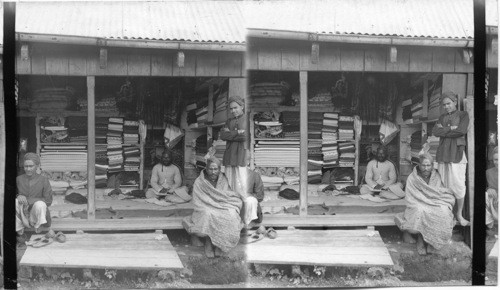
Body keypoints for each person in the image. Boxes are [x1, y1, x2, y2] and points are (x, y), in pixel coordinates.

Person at [394, 153, 456, 255]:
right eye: (423, 165)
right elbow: (410, 198)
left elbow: (442, 192)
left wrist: (433, 202)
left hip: (435, 202)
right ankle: (420, 239)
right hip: (418, 203)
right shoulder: (412, 178)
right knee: (420, 211)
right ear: (419, 165)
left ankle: (432, 242)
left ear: (432, 166)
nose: (426, 168)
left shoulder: (437, 176)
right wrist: (424, 202)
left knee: (444, 211)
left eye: (428, 165)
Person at [182, 157, 244, 258]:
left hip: (223, 205)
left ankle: (220, 245)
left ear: (220, 170)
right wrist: (212, 205)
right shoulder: (199, 181)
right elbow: (198, 200)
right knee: (208, 214)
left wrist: (220, 205)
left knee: (231, 214)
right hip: (205, 207)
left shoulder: (224, 179)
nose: (213, 172)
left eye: (216, 169)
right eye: (211, 169)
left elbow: (228, 195)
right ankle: (208, 243)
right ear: (206, 169)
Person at [432, 91, 470, 226]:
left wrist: (445, 130)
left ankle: (459, 214)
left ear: (455, 102)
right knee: (444, 185)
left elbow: (461, 131)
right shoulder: (441, 117)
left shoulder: (463, 115)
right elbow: (435, 132)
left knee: (459, 185)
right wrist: (451, 129)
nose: (446, 107)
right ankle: (448, 215)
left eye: (449, 103)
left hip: (457, 153)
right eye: (444, 105)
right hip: (443, 153)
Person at [16, 152, 54, 244]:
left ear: (37, 166)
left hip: (36, 215)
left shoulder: (44, 180)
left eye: (31, 166)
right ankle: (20, 230)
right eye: (26, 166)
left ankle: (38, 225)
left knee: (40, 204)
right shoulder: (18, 179)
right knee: (14, 202)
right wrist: (18, 196)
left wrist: (28, 200)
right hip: (23, 214)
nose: (28, 169)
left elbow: (48, 201)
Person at [220, 96, 249, 194]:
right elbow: (223, 135)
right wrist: (238, 133)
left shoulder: (247, 119)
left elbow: (246, 137)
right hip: (230, 153)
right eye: (231, 108)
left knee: (241, 180)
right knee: (229, 180)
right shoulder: (229, 121)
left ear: (242, 106)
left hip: (241, 153)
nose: (233, 111)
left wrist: (231, 133)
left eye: (235, 107)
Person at [486, 147, 498, 236]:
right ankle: (490, 225)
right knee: (484, 196)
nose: (497, 162)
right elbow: (487, 186)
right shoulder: (489, 172)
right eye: (495, 160)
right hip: (493, 197)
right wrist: (488, 189)